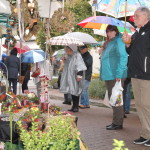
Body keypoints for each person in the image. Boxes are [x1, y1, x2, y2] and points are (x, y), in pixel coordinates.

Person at [122, 7, 150, 146]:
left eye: (137, 16)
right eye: (134, 16)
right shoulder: (136, 33)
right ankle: (145, 134)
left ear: (146, 17)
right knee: (139, 105)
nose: (134, 18)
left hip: (147, 75)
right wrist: (127, 43)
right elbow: (130, 51)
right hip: (135, 73)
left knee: (147, 105)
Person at [100, 25, 128, 130]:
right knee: (114, 99)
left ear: (116, 31)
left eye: (111, 31)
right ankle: (116, 121)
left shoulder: (119, 41)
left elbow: (123, 57)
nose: (109, 33)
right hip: (109, 75)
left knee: (116, 99)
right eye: (107, 31)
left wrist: (119, 74)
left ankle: (117, 123)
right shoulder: (110, 42)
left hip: (115, 75)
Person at [60, 45, 87, 112]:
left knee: (76, 91)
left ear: (72, 49)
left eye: (67, 50)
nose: (66, 51)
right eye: (66, 50)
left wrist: (79, 76)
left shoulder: (77, 55)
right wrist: (64, 60)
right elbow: (67, 66)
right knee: (72, 91)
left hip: (75, 76)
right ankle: (74, 106)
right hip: (70, 77)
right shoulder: (69, 56)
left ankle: (76, 107)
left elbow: (80, 66)